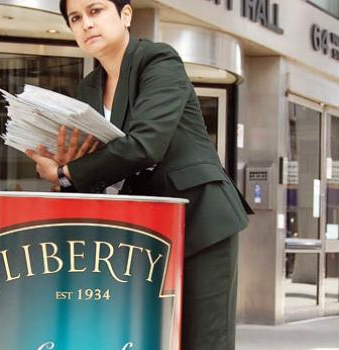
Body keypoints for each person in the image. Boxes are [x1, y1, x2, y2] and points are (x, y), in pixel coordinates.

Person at [25, 0, 254, 348]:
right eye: (76, 17)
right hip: (142, 234)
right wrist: (65, 172)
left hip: (202, 220)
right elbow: (101, 166)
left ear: (126, 15)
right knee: (147, 336)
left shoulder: (158, 61)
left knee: (204, 340)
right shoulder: (88, 88)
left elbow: (146, 144)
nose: (86, 23)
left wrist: (68, 172)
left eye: (96, 10)